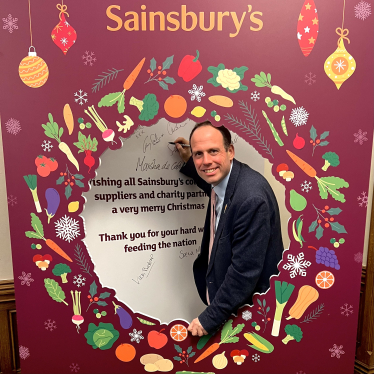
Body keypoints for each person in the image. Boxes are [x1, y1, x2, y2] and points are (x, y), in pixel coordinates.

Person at [174, 121, 283, 336]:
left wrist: (209, 319)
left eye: (213, 151)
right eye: (198, 154)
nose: (206, 161)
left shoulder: (251, 198)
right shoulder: (230, 179)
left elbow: (244, 272)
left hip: (250, 312)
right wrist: (189, 161)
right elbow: (215, 184)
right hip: (235, 305)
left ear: (230, 151)